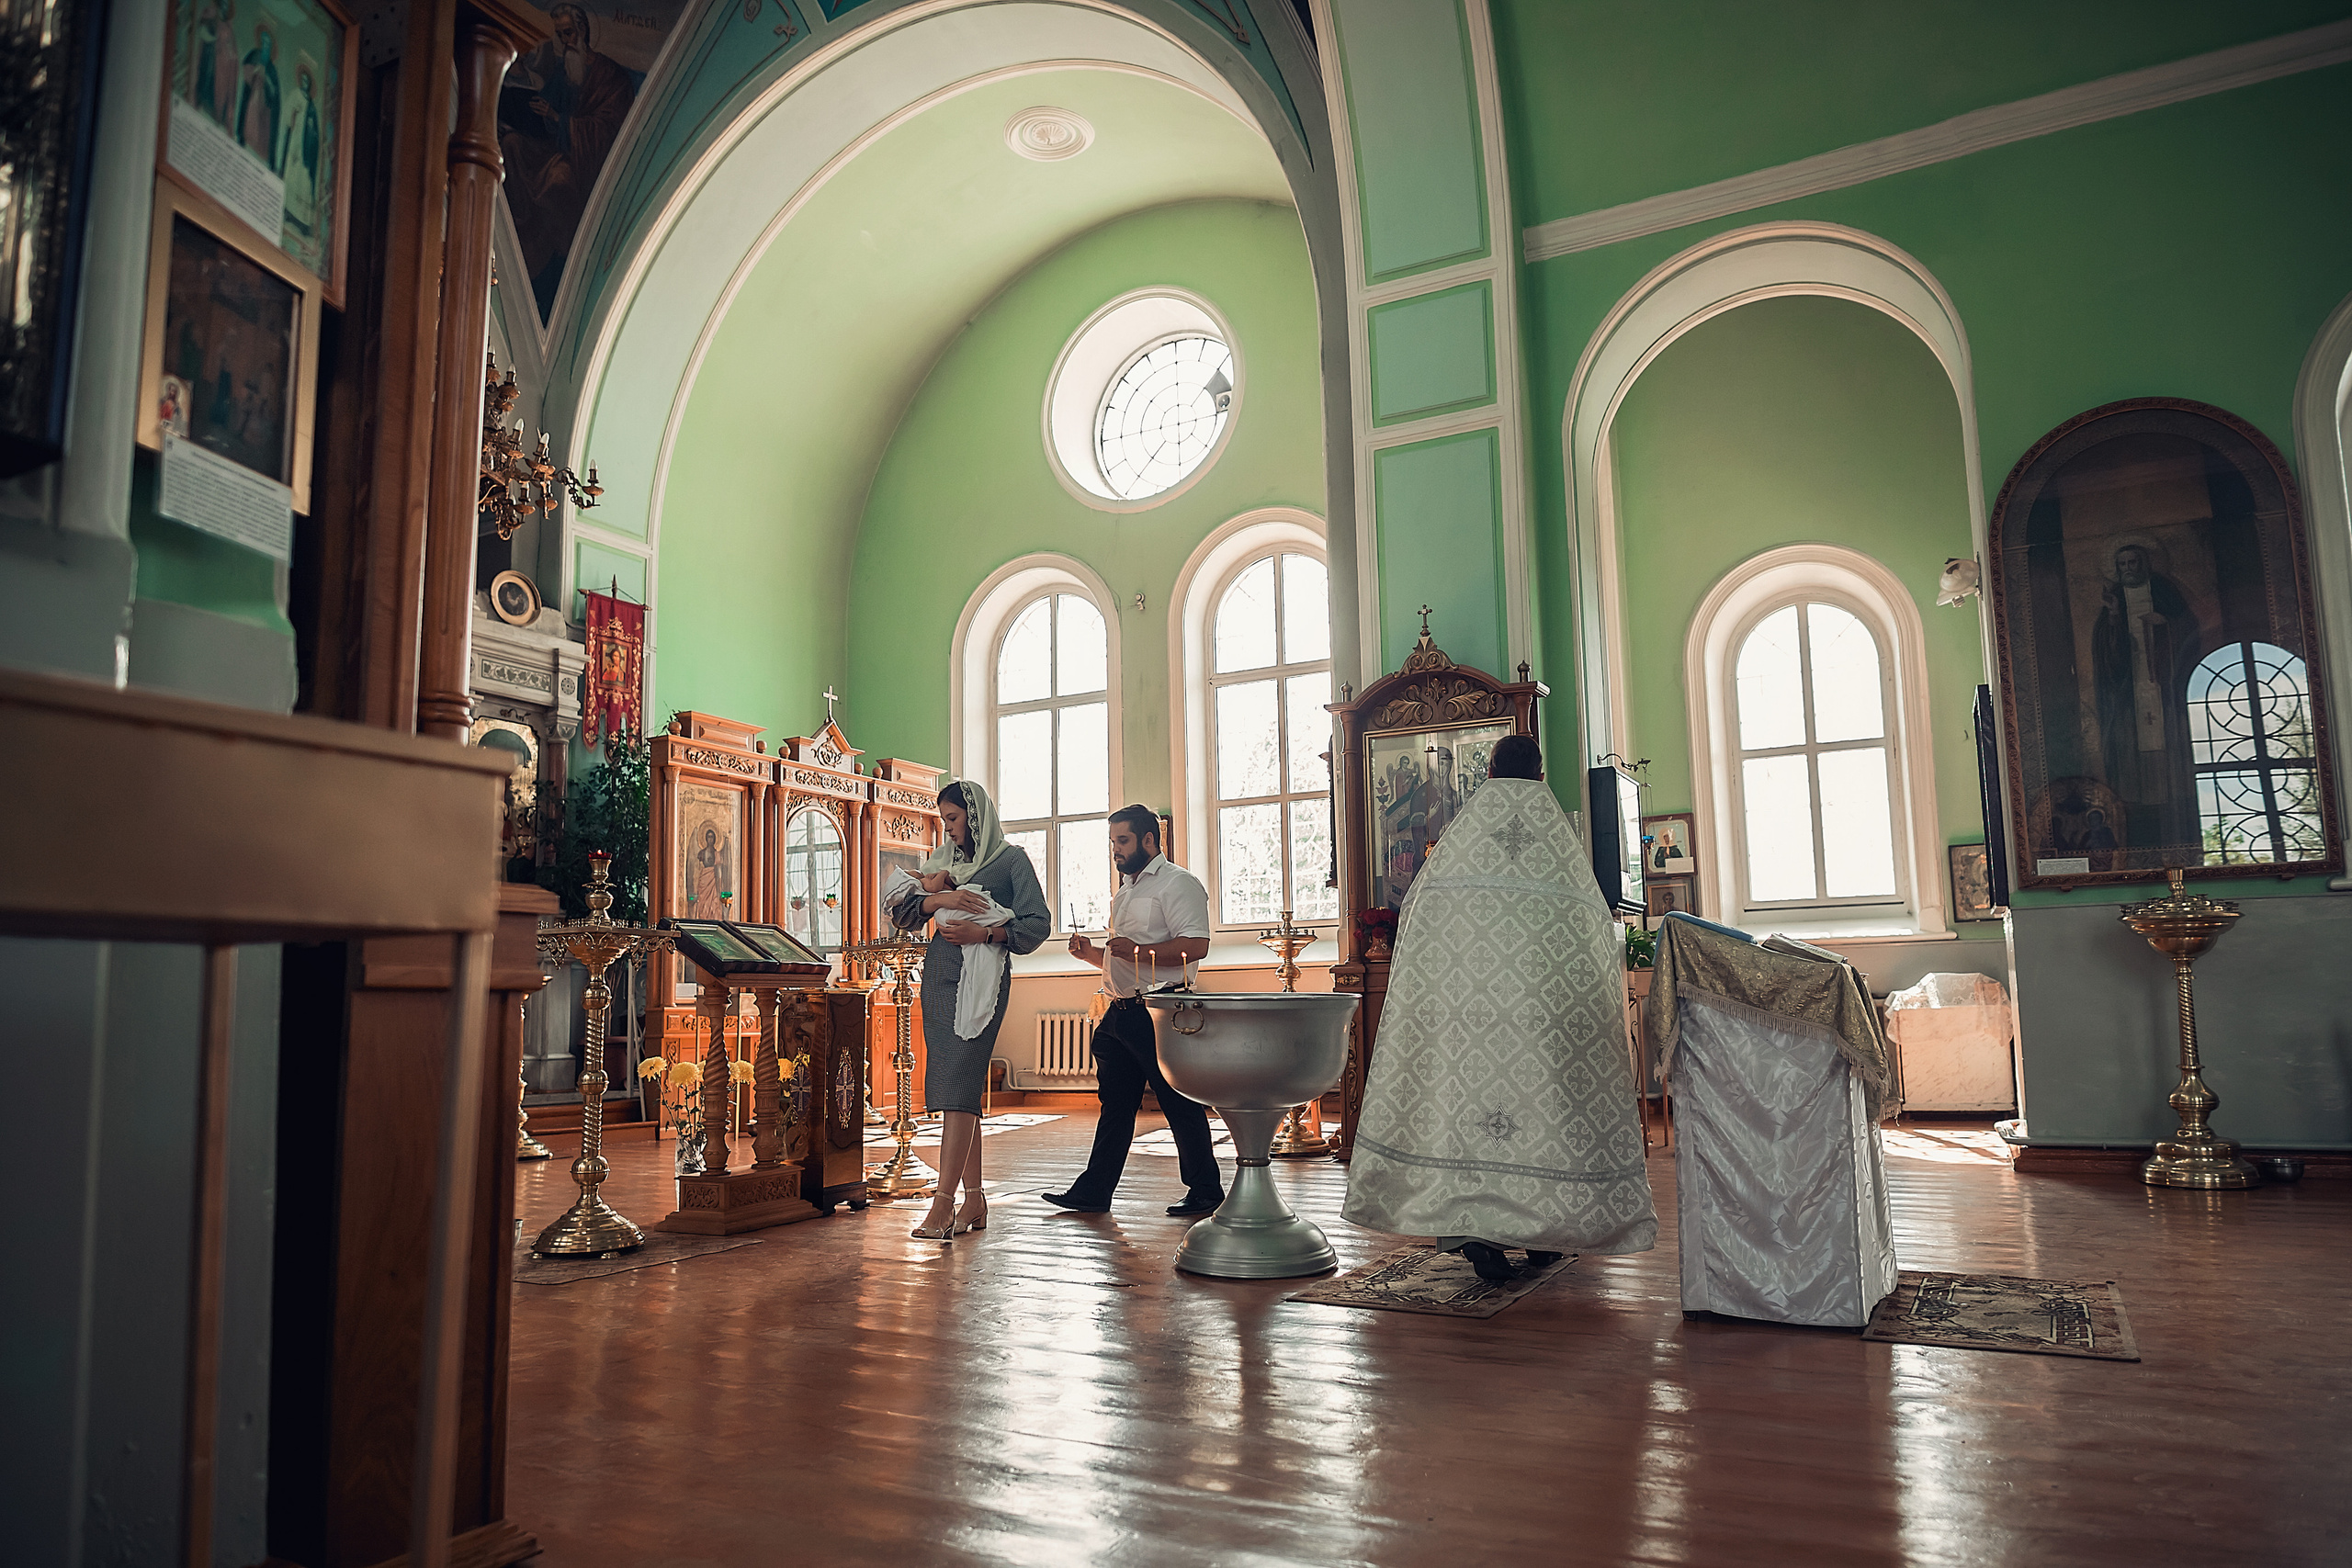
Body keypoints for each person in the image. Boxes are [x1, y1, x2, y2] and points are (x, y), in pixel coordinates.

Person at [1341, 734, 1657, 1281]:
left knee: (1464, 1118)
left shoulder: (1463, 838)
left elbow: (1419, 912)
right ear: (1540, 775)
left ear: (1488, 772)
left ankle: (1475, 1232)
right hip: (1540, 1020)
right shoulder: (1558, 844)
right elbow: (1590, 927)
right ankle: (1544, 1232)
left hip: (1468, 1021)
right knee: (1546, 1117)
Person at [1043, 805, 1221, 1217]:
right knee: (1116, 1105)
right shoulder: (1125, 890)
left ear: (1147, 839)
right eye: (1112, 843)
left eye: (1122, 841)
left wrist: (1138, 950)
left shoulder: (1179, 883)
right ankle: (1094, 1192)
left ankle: (1206, 1191)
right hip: (1118, 1012)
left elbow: (1196, 946)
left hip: (1158, 1009)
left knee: (1178, 1102)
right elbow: (1124, 958)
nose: (1115, 850)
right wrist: (1092, 954)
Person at [891, 780, 1048, 1241]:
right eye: (944, 821)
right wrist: (941, 898)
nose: (949, 830)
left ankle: (942, 1203)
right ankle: (974, 1197)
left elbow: (1038, 922)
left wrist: (988, 935)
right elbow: (902, 910)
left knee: (959, 1083)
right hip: (939, 979)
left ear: (975, 817)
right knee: (954, 1090)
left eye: (955, 820)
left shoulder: (1011, 860)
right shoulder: (943, 864)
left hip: (982, 982)